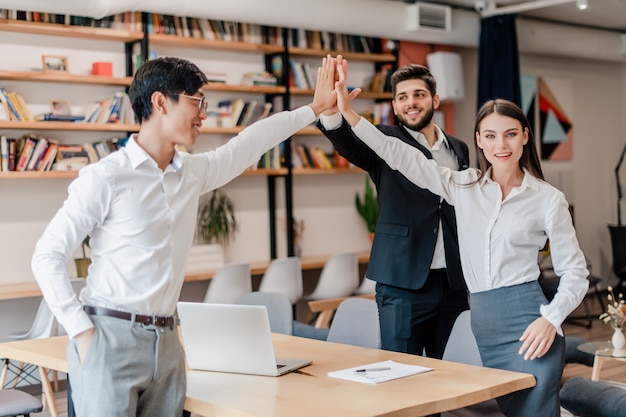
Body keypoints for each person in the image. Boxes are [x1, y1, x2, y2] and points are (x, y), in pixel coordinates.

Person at [31, 55, 337, 417]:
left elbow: (251, 142)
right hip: (109, 338)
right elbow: (47, 256)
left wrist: (314, 109)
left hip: (170, 341)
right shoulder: (106, 177)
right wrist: (82, 333)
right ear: (161, 102)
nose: (203, 114)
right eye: (196, 101)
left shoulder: (192, 173)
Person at [327, 55, 589, 417]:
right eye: (492, 135)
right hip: (482, 324)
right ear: (479, 141)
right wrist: (349, 114)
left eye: (511, 133)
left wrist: (552, 318)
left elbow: (575, 274)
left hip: (530, 325)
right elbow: (399, 154)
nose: (502, 144)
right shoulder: (463, 186)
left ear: (525, 136)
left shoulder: (548, 199)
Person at [318, 62, 470, 358]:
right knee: (401, 372)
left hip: (452, 281)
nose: (410, 102)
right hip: (402, 282)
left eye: (418, 95)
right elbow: (346, 143)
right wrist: (330, 111)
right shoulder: (382, 140)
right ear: (395, 106)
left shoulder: (459, 148)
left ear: (435, 100)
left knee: (450, 372)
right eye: (402, 97)